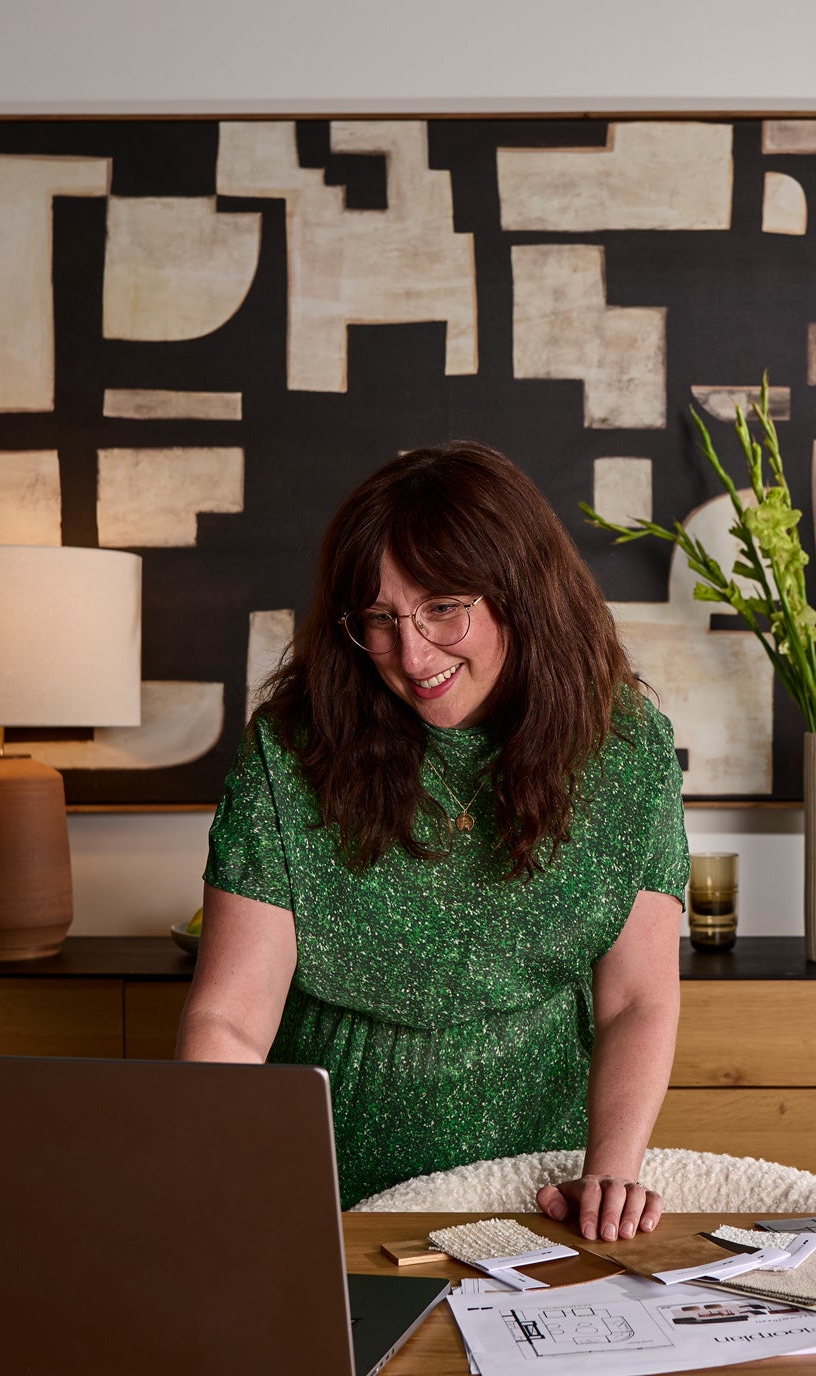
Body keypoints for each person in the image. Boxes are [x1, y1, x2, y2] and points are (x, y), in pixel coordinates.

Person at [176, 441, 688, 1243]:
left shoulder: (627, 747)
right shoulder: (288, 749)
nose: (411, 656)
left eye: (445, 607)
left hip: (540, 1190)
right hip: (318, 1187)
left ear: (524, 591)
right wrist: (229, 1181)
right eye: (379, 619)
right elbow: (230, 1021)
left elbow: (638, 998)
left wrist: (612, 1169)